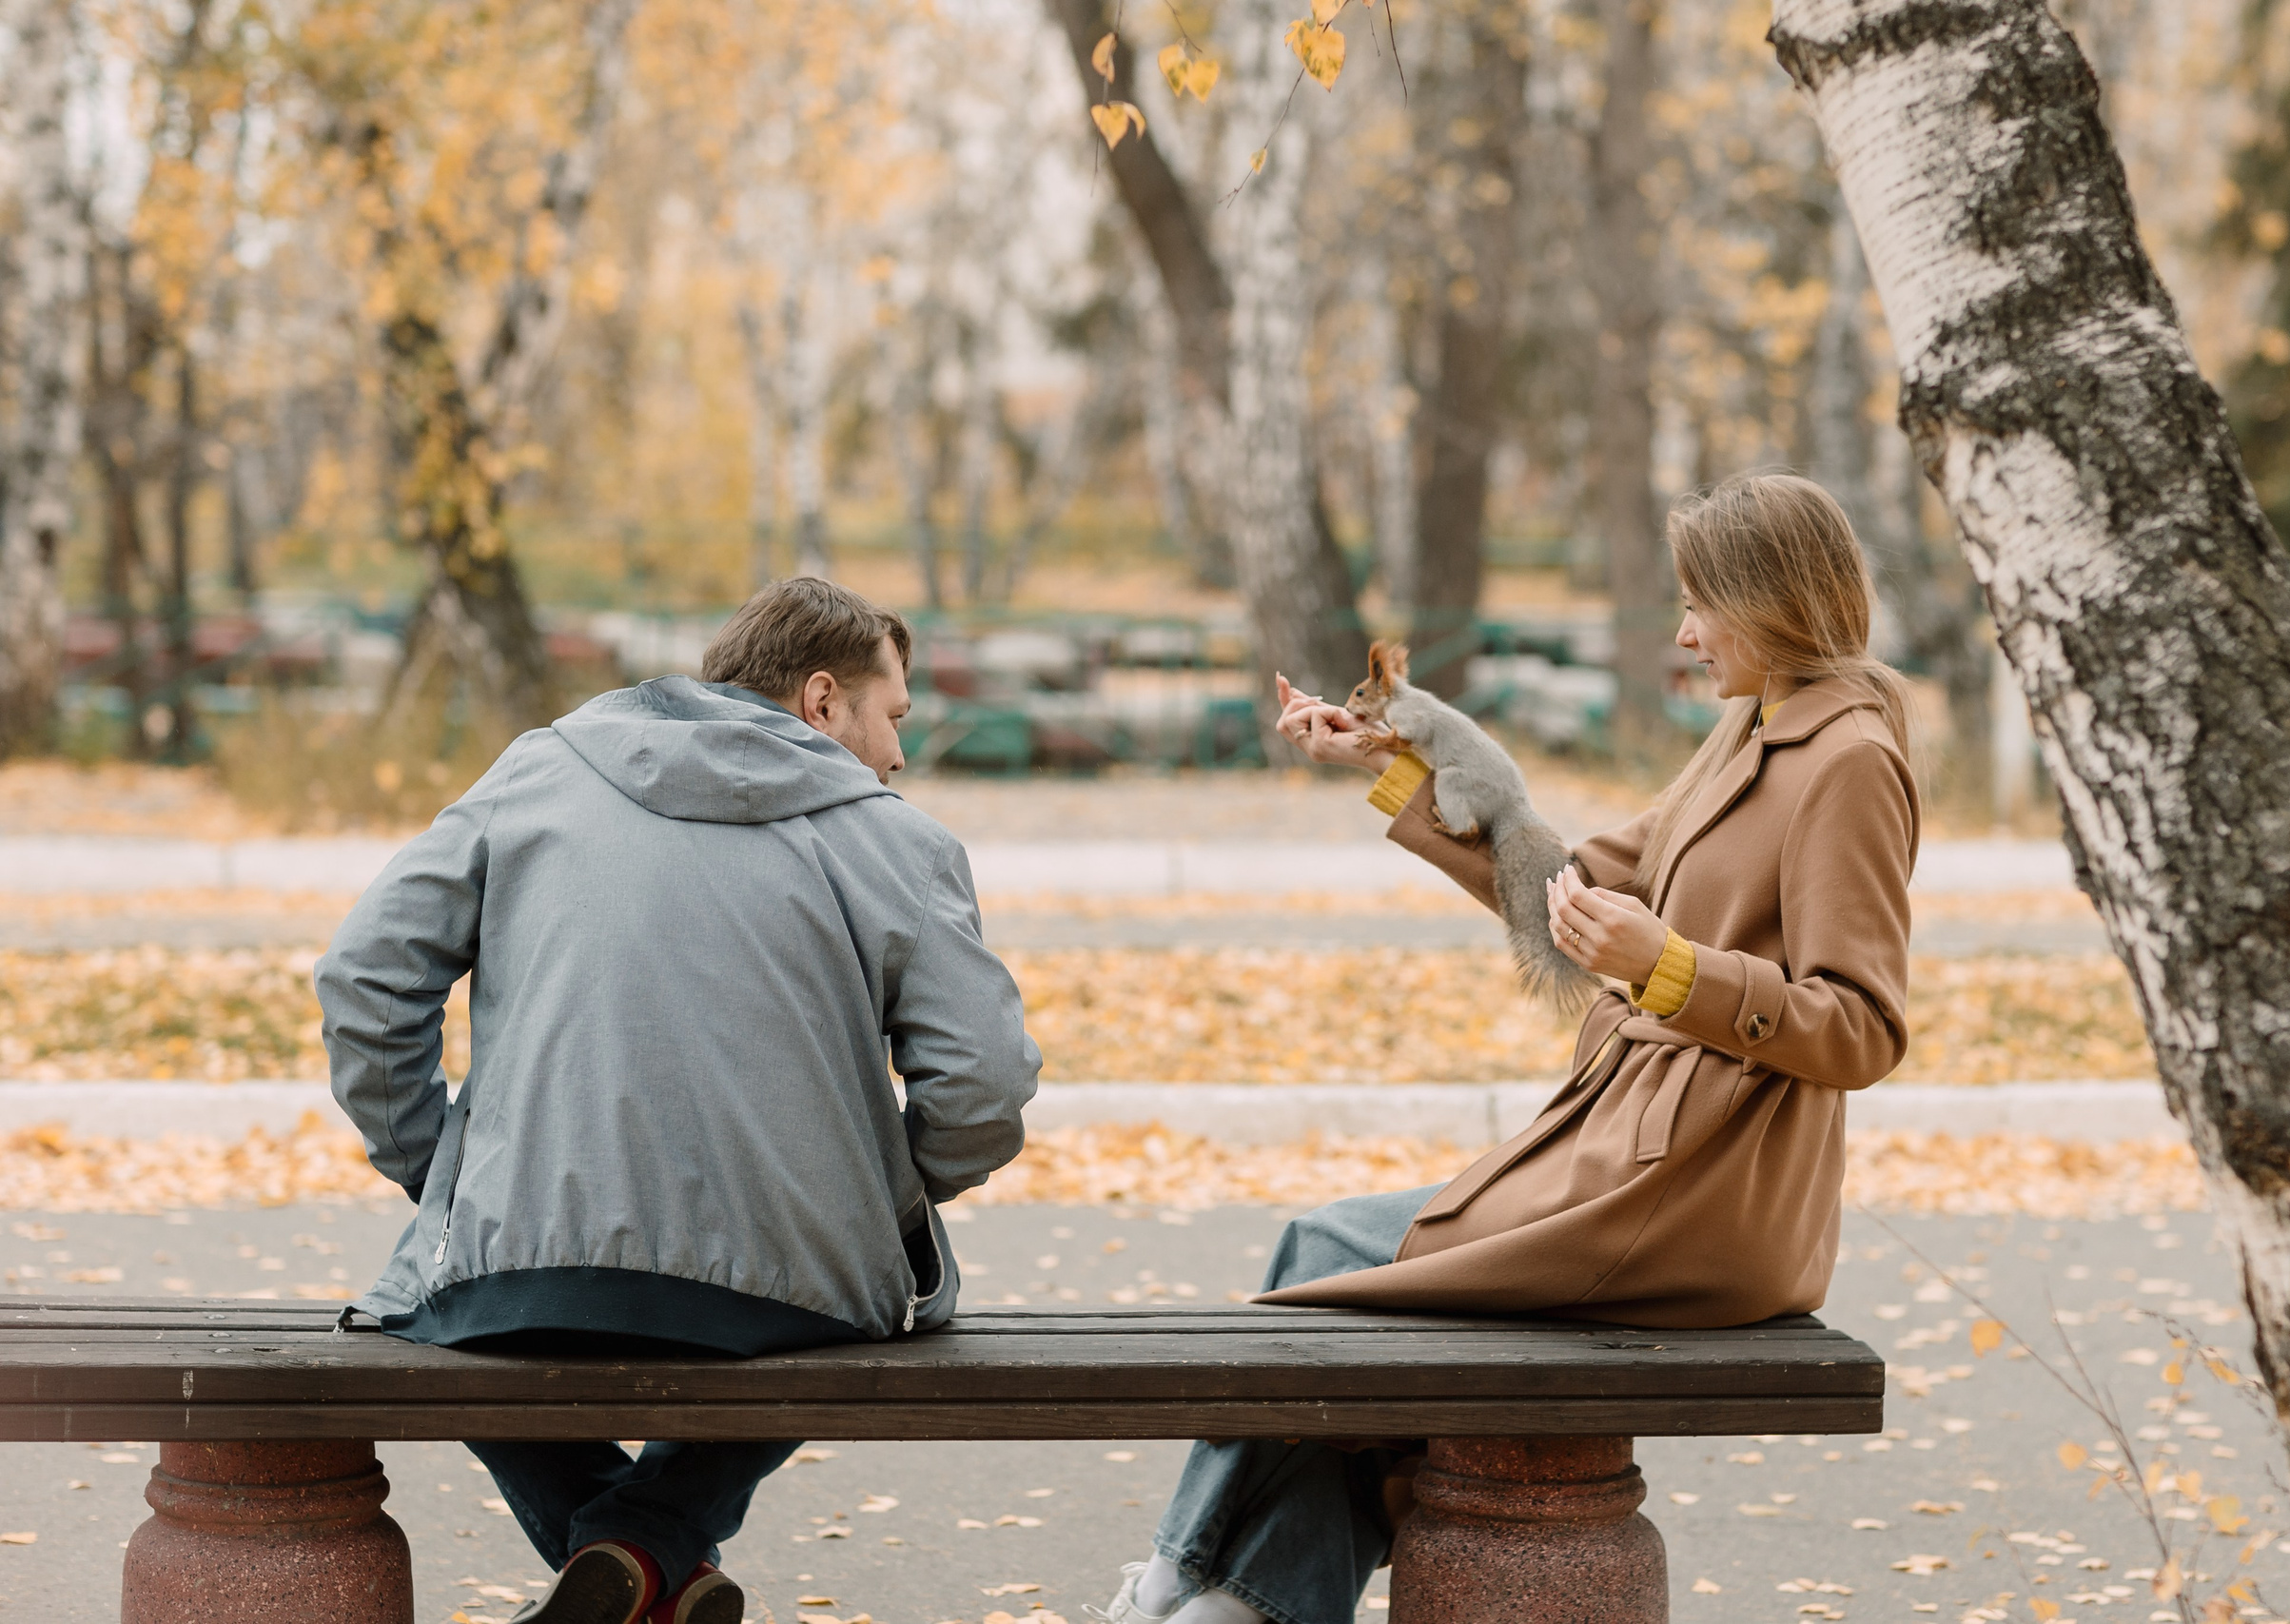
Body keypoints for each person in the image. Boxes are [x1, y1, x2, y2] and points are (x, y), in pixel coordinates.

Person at [1091, 473, 1919, 1624]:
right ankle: (1228, 1598)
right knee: (1338, 1268)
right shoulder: (1757, 723)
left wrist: (1668, 969)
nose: (1682, 632)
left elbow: (1863, 1025)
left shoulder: (1848, 760)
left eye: (1701, 605)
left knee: (1331, 1256)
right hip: (1637, 1152)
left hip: (1705, 1194)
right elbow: (1560, 882)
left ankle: (1196, 1581)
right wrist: (1383, 763)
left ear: (1774, 599)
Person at [319, 577, 1040, 1624]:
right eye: (894, 718)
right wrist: (875, 1190)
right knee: (833, 1314)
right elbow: (984, 1084)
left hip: (524, 1259)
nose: (897, 755)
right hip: (795, 1284)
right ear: (823, 701)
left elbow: (364, 979)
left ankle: (633, 1566)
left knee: (445, 1309)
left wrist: (437, 1170)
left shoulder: (535, 775)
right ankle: (651, 1550)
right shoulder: (899, 842)